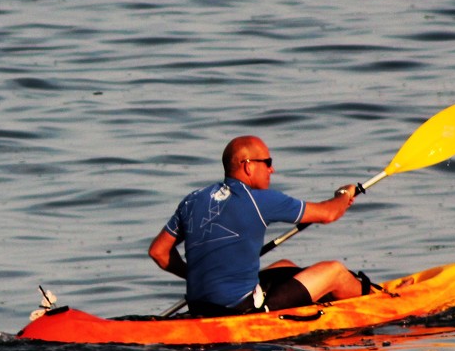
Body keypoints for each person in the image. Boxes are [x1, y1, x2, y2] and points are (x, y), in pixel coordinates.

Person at [148, 135, 364, 317]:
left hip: (200, 307)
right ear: (248, 165)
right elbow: (328, 213)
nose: (272, 170)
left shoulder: (193, 199)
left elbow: (158, 252)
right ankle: (371, 299)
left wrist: (202, 277)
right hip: (243, 310)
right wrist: (344, 194)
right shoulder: (260, 200)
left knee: (283, 265)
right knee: (335, 271)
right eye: (268, 162)